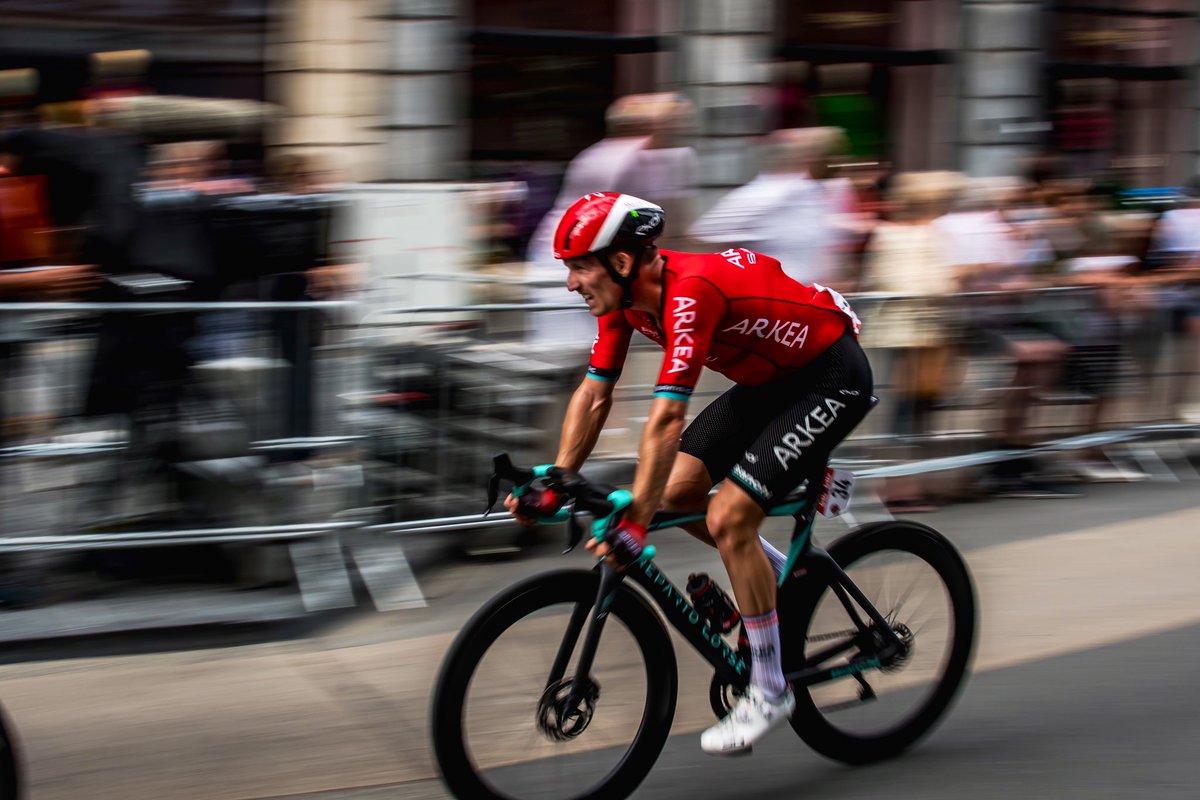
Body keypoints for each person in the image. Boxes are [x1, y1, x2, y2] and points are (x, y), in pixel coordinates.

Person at [505, 192, 873, 755]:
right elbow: (595, 393)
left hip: (829, 375)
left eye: (579, 267)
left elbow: (666, 417)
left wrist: (634, 524)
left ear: (622, 263)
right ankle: (779, 572)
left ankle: (772, 690)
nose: (571, 284)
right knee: (679, 494)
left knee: (726, 516)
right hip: (769, 382)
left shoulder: (688, 294)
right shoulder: (623, 304)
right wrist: (556, 477)